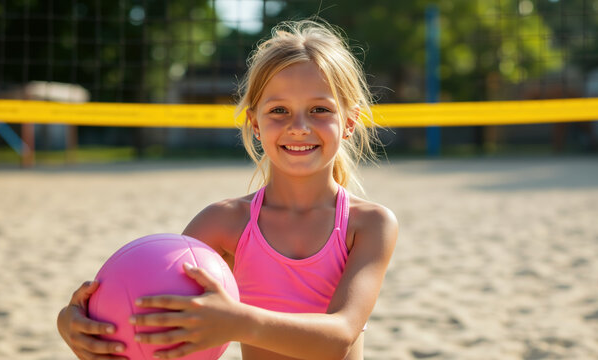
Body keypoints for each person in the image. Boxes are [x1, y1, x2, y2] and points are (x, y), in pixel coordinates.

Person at [57, 19, 398, 360]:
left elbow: (340, 335)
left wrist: (237, 322)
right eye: (279, 110)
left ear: (350, 122)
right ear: (255, 123)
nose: (298, 127)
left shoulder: (369, 224)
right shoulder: (224, 222)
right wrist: (71, 323)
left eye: (319, 110)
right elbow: (151, 301)